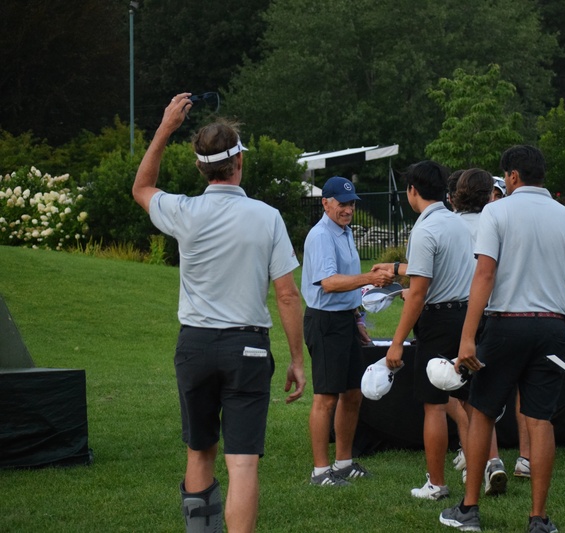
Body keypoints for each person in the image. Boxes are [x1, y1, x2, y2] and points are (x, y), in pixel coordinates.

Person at [132, 94, 306, 533]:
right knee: (242, 462)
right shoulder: (267, 217)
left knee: (199, 451)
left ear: (199, 166)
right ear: (239, 161)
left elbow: (141, 188)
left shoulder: (184, 212)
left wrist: (165, 128)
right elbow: (287, 296)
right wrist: (297, 359)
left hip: (194, 345)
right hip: (247, 347)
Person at [439, 145, 565, 533]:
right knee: (540, 421)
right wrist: (562, 320)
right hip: (551, 327)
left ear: (512, 176)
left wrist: (467, 337)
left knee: (482, 413)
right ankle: (538, 518)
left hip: (505, 324)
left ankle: (469, 510)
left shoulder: (497, 211)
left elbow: (484, 275)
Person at [373, 161, 475, 500]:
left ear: (412, 190)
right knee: (470, 403)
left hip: (437, 322)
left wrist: (397, 343)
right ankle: (478, 475)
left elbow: (418, 293)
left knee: (434, 405)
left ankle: (436, 483)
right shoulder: (458, 223)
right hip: (466, 318)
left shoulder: (424, 229)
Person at [302, 176, 394, 487]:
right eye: (342, 204)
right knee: (326, 397)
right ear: (325, 203)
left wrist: (357, 319)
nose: (348, 209)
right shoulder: (321, 236)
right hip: (325, 322)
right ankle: (320, 472)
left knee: (353, 393)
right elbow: (329, 283)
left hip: (344, 320)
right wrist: (370, 278)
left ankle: (343, 463)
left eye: (352, 203)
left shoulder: (345, 231)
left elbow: (346, 282)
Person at [447, 168, 511, 493]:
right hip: (495, 312)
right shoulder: (496, 222)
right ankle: (492, 458)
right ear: (489, 194)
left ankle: (476, 459)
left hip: (460, 312)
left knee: (460, 396)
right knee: (481, 396)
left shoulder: (449, 225)